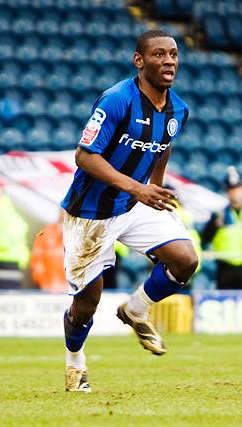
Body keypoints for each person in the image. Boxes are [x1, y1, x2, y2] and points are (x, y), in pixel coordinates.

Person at [60, 30, 198, 393]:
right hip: (91, 211)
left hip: (135, 203)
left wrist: (155, 185)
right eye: (159, 54)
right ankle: (75, 365)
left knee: (185, 259)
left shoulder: (178, 110)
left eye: (173, 54)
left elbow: (163, 145)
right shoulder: (117, 99)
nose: (169, 61)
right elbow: (84, 156)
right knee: (86, 303)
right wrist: (138, 187)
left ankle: (136, 308)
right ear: (139, 61)